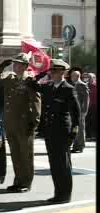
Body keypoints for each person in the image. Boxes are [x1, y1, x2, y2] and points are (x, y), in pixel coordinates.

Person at [28, 59, 80, 204]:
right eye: (52, 71)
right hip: (50, 131)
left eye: (56, 71)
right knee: (54, 164)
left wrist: (74, 132)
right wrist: (42, 72)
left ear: (63, 72)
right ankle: (58, 193)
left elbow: (76, 113)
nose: (53, 74)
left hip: (63, 132)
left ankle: (65, 195)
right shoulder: (49, 86)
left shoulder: (68, 88)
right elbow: (31, 84)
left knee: (63, 164)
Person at [0, 53, 41, 193]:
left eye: (19, 63)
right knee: (15, 154)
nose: (16, 65)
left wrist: (34, 122)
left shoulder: (30, 80)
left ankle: (26, 182)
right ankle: (18, 181)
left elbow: (36, 102)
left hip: (25, 123)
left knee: (26, 155)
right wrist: (0, 67)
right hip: (10, 122)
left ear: (25, 66)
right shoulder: (9, 78)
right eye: (15, 63)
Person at [70, 70, 89, 153]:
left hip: (80, 110)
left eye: (73, 76)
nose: (71, 77)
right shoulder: (73, 85)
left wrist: (84, 111)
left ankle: (80, 145)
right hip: (75, 110)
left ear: (77, 76)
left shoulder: (82, 85)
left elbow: (86, 99)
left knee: (80, 128)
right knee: (75, 128)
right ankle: (76, 145)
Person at [85, 73, 97, 140]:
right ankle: (88, 136)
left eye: (90, 77)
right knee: (87, 121)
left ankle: (94, 136)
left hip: (95, 106)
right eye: (88, 77)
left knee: (94, 121)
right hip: (87, 106)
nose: (89, 79)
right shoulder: (85, 85)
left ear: (94, 78)